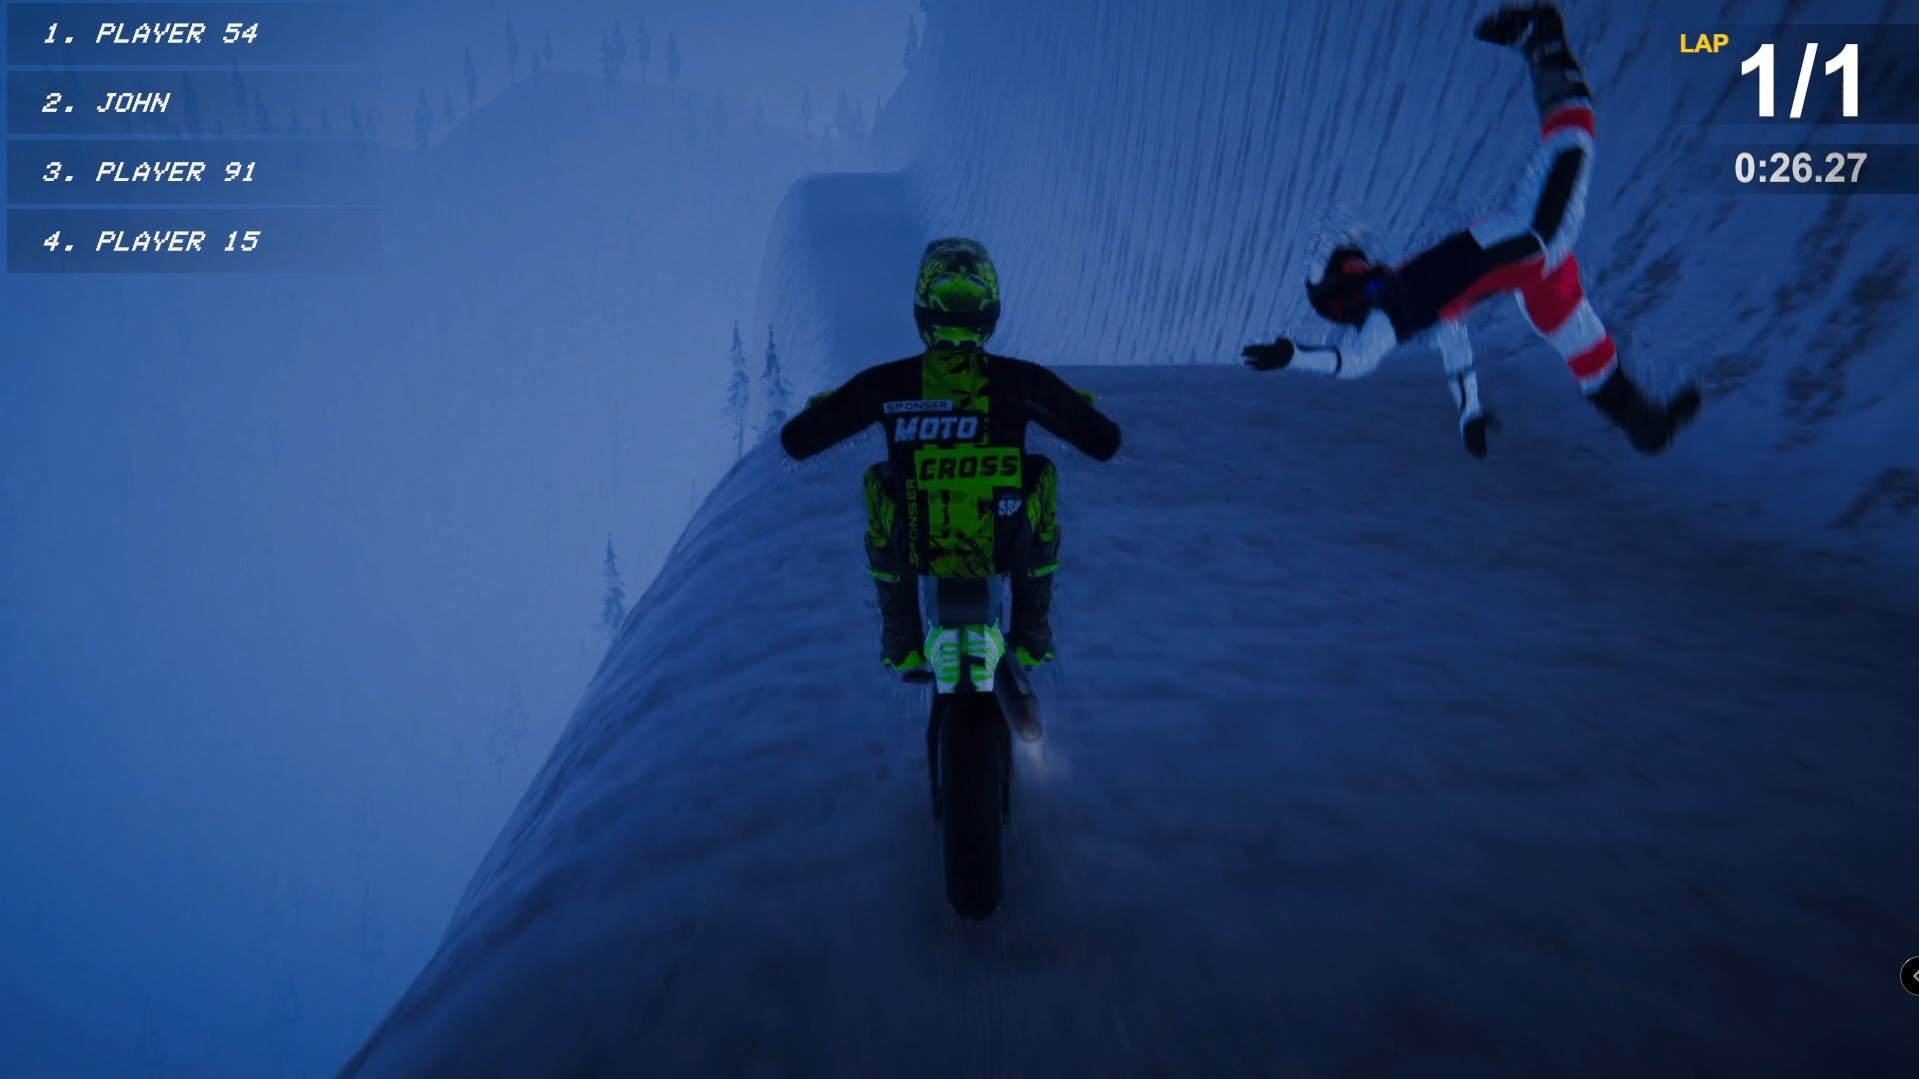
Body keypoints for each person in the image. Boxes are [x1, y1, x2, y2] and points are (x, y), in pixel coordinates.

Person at [1243, 3, 1701, 458]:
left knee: (1588, 355)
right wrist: (1292, 356)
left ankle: (1648, 429)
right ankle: (1541, 36)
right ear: (1346, 294)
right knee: (1573, 136)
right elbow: (1353, 362)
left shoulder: (1408, 306)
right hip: (1532, 245)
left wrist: (1470, 412)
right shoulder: (1386, 319)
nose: (1363, 264)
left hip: (1528, 270)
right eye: (1351, 269)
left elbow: (1455, 350)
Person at [780, 238, 1122, 674]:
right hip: (1004, 544)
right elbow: (1104, 442)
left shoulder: (884, 383)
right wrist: (1068, 404)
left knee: (877, 480)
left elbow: (798, 441)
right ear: (991, 311)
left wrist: (836, 406)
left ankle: (902, 640)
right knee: (1043, 472)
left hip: (919, 547)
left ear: (923, 310)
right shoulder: (1023, 380)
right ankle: (1032, 636)